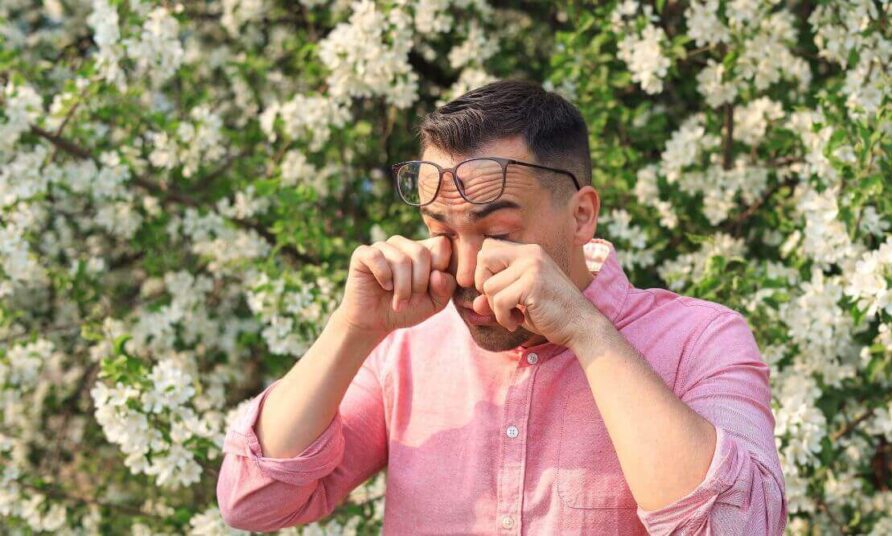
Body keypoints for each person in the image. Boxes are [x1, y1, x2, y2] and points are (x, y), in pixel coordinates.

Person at [216, 79, 787, 535]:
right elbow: (254, 501)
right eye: (440, 230)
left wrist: (590, 334)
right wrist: (353, 329)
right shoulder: (406, 345)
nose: (466, 272)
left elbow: (739, 525)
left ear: (581, 215)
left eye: (501, 234)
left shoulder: (700, 339)